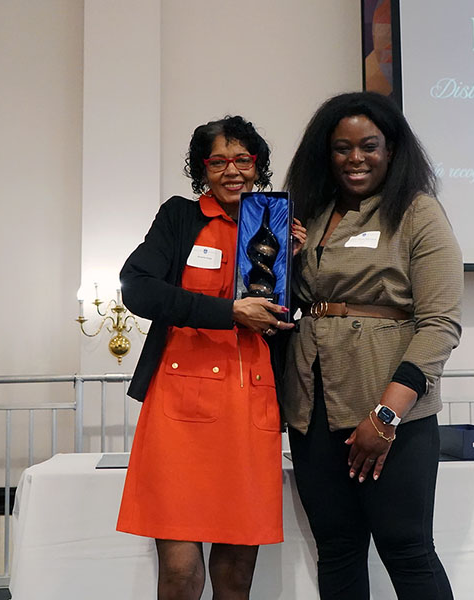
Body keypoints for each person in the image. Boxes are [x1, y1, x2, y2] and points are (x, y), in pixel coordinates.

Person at [116, 115, 306, 600]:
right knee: (179, 573)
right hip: (178, 408)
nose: (232, 171)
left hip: (250, 407)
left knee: (237, 571)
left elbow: (290, 319)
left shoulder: (276, 226)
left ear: (258, 165)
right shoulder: (180, 217)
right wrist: (229, 312)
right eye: (218, 161)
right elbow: (138, 288)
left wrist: (296, 264)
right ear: (202, 170)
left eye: (243, 159)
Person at [282, 91, 462, 600]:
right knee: (337, 548)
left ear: (392, 149)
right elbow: (292, 305)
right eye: (341, 148)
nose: (355, 159)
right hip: (312, 408)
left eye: (368, 146)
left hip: (389, 410)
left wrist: (385, 416)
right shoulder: (312, 215)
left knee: (405, 548)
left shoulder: (418, 213)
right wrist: (288, 262)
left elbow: (440, 325)